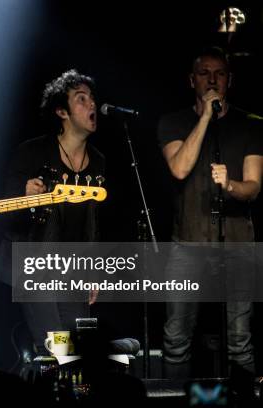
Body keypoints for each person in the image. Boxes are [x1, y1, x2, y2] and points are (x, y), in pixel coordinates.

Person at [157, 46, 263, 377]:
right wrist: (205, 117)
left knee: (238, 339)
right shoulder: (172, 122)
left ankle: (243, 398)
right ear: (192, 80)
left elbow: (253, 186)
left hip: (236, 243)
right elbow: (179, 168)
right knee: (176, 337)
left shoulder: (250, 124)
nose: (212, 80)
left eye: (219, 73)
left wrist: (230, 185)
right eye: (204, 73)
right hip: (187, 244)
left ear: (229, 79)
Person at [0, 69, 105, 355]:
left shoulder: (99, 161)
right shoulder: (32, 152)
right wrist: (26, 198)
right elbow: (6, 214)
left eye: (92, 98)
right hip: (34, 264)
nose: (91, 105)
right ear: (61, 111)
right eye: (81, 99)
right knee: (59, 348)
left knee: (79, 348)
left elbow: (93, 224)